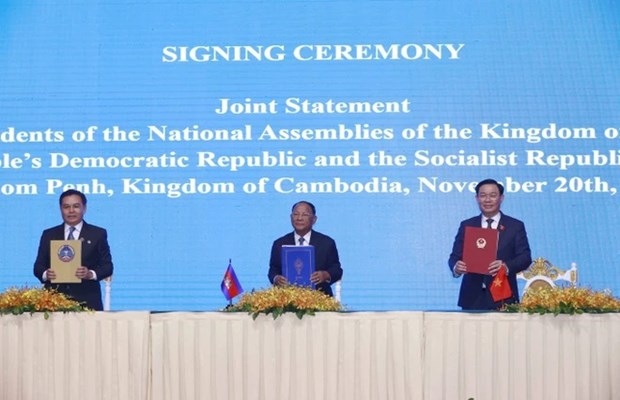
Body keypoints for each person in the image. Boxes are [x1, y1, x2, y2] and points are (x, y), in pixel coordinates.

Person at [448, 178, 531, 310]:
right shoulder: (467, 225)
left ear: (501, 198)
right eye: (483, 195)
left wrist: (505, 266)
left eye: (493, 195)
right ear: (477, 198)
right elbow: (454, 257)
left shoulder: (515, 226)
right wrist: (456, 267)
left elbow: (525, 258)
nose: (487, 200)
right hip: (472, 298)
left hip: (503, 297)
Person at [33, 189, 114, 310]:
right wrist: (46, 274)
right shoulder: (49, 234)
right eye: (66, 207)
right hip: (54, 301)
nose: (71, 211)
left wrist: (90, 274)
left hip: (88, 300)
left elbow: (107, 267)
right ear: (60, 209)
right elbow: (38, 267)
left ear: (84, 208)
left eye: (76, 206)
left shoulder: (97, 234)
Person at [268, 201, 343, 296]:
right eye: (296, 214)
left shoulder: (326, 242)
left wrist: (325, 275)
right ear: (291, 218)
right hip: (287, 299)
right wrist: (276, 278)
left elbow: (337, 270)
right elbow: (273, 269)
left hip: (320, 298)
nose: (299, 218)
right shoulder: (279, 243)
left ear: (314, 219)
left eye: (304, 215)